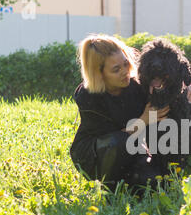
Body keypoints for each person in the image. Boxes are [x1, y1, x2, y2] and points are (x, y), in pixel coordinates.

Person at [69, 34, 170, 193]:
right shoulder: (88, 97)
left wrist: (187, 86)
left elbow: (167, 82)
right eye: (116, 69)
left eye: (126, 63)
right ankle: (110, 191)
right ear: (99, 73)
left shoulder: (135, 85)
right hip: (97, 154)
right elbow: (115, 138)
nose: (125, 72)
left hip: (133, 149)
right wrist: (143, 120)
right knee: (120, 142)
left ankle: (129, 185)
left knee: (155, 185)